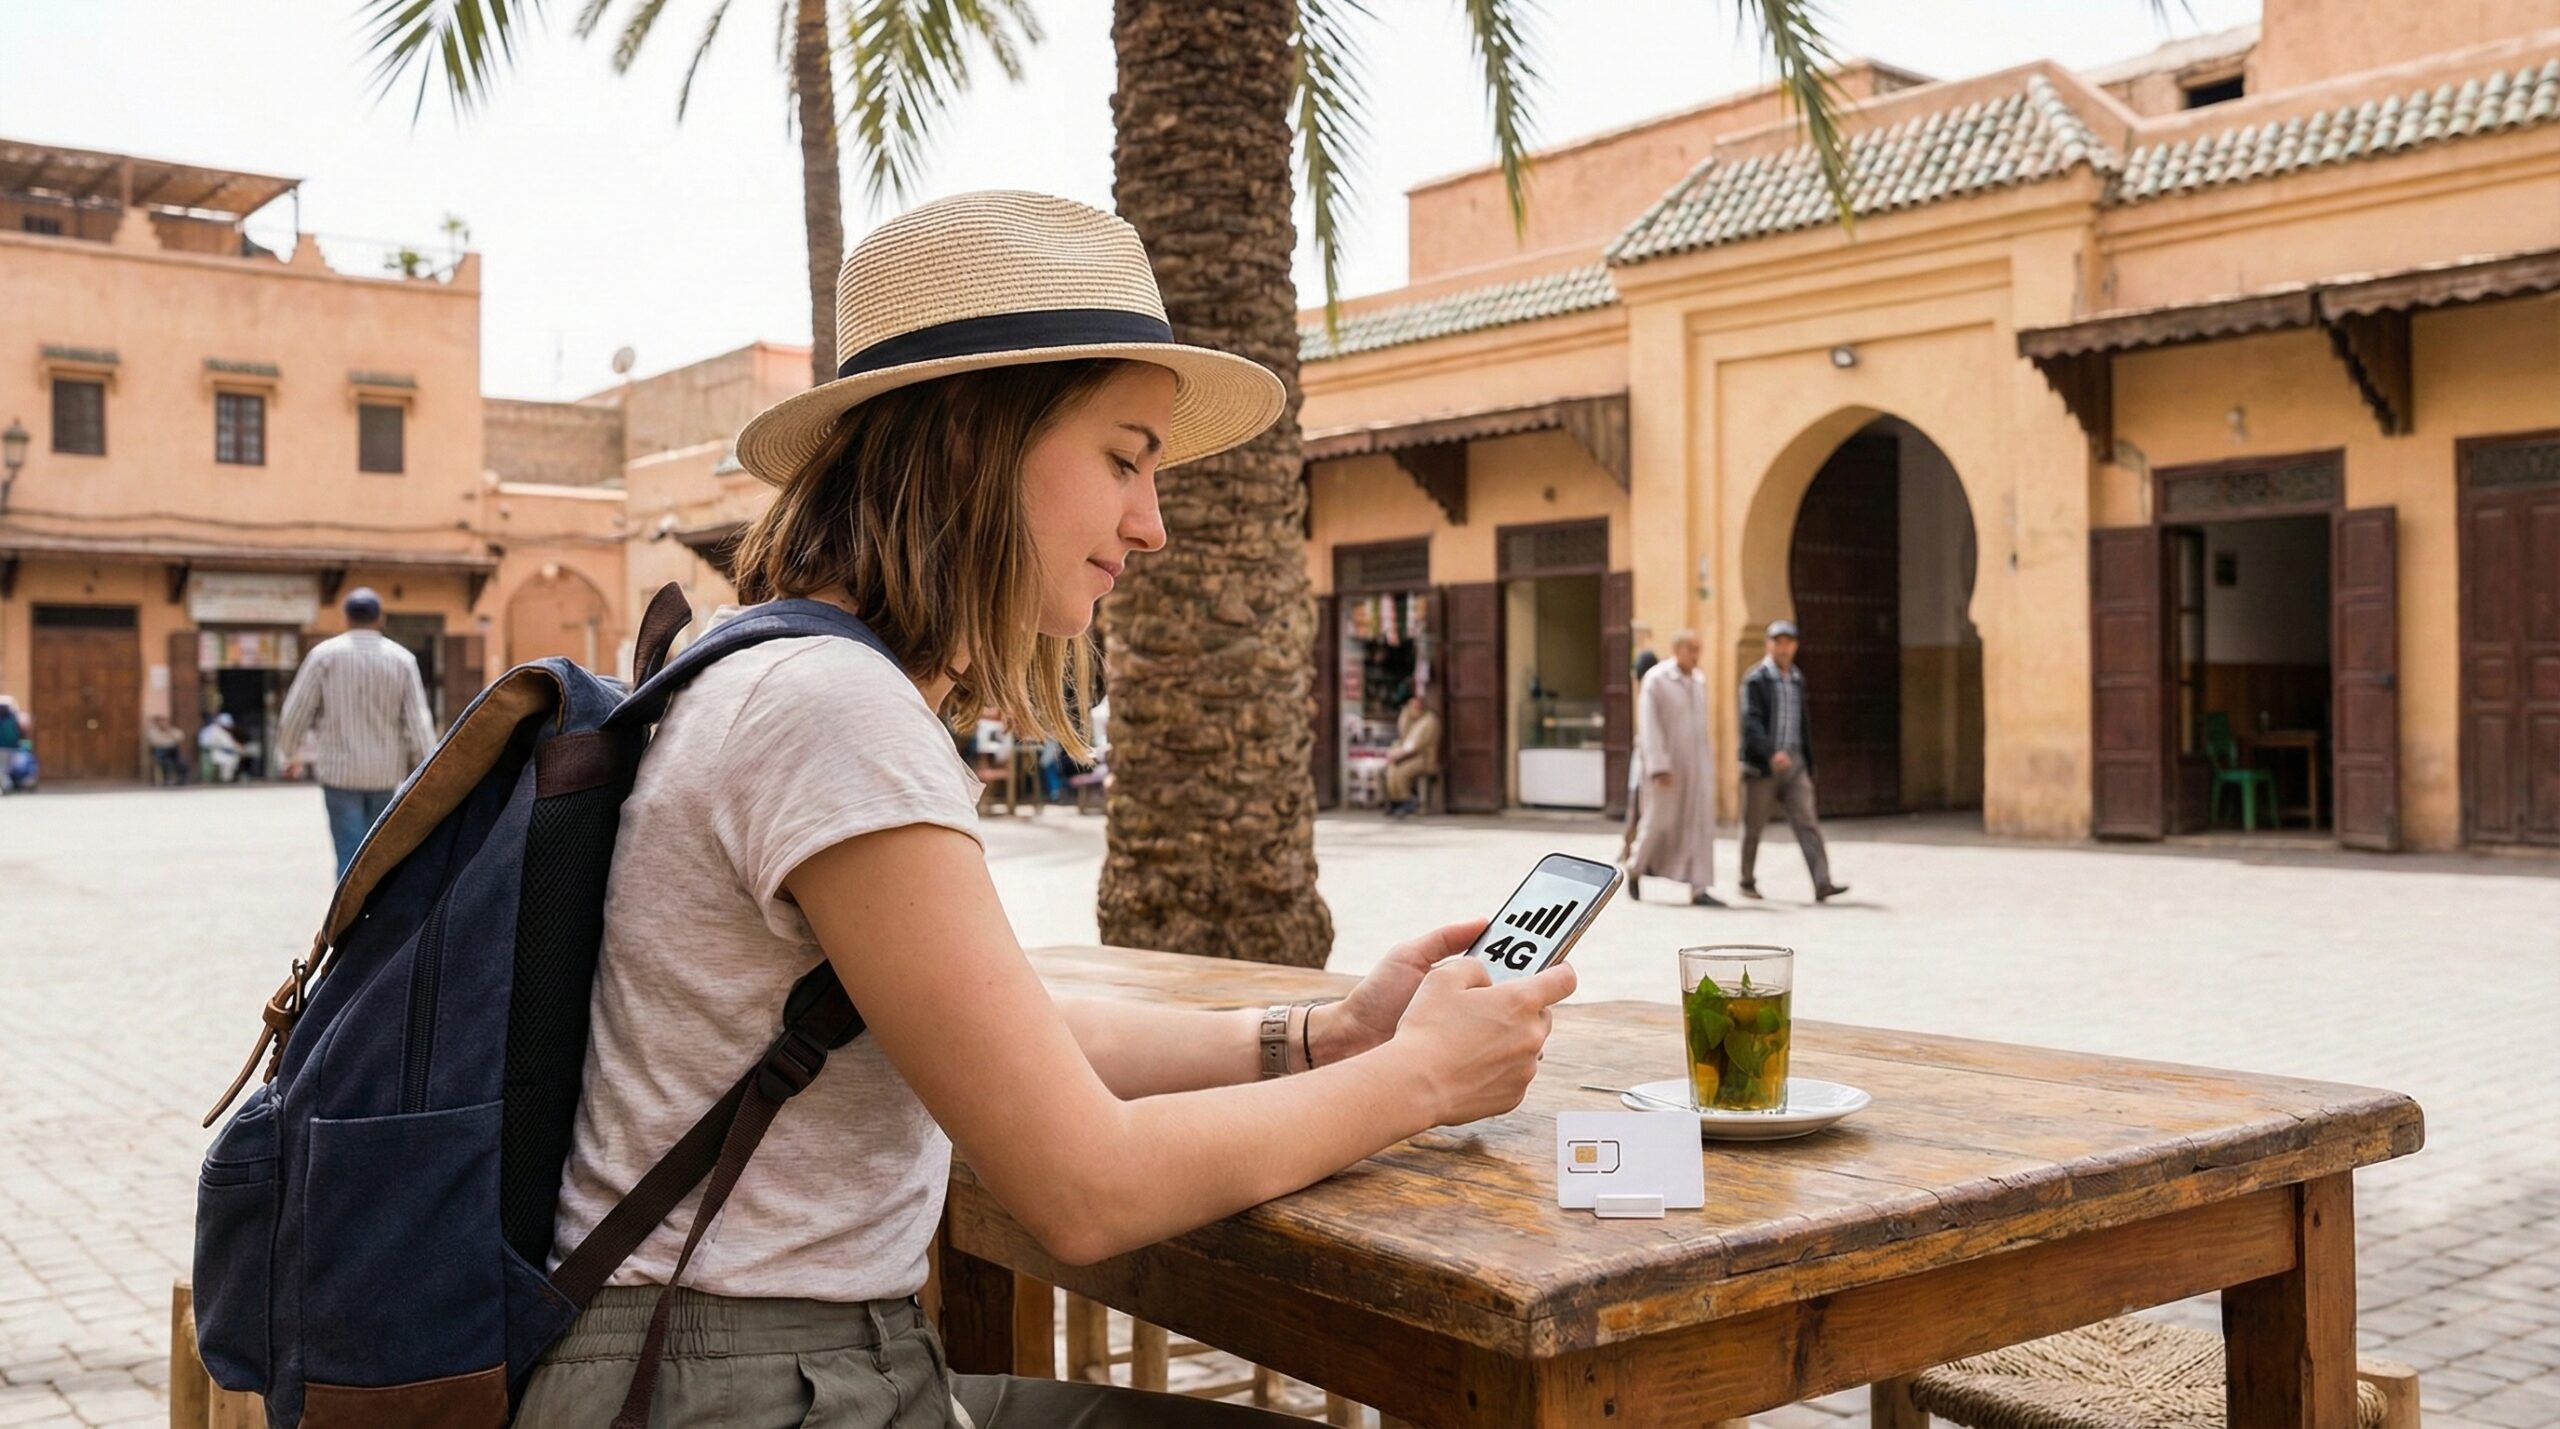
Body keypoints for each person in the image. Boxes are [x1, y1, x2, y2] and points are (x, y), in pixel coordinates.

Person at [516, 192, 1573, 1429]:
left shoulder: (767, 668)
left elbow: (1003, 1028)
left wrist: (1323, 1037)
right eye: (1124, 458)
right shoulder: (833, 709)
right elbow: (1087, 1187)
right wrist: (1422, 1079)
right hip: (738, 1390)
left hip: (739, 1371)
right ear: (975, 439)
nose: (1152, 524)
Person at [275, 587, 437, 875]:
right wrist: (429, 768)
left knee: (349, 854)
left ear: (347, 618)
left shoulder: (324, 656)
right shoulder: (401, 660)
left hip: (339, 774)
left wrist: (289, 754)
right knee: (378, 855)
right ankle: (376, 904)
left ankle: (347, 905)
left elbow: (296, 711)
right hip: (384, 774)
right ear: (380, 619)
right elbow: (418, 722)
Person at [1739, 619, 1848, 903]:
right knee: (1753, 825)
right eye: (1778, 642)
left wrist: (1806, 763)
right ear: (1769, 645)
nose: (1783, 648)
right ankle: (1746, 880)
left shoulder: (1797, 679)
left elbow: (1802, 724)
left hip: (1795, 762)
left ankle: (1822, 881)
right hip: (1764, 765)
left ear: (1795, 646)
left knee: (1807, 822)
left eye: (1788, 643)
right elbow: (1751, 722)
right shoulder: (1756, 680)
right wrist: (1769, 752)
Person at [1625, 630, 1723, 905]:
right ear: (1677, 650)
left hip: (1697, 767)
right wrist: (1659, 765)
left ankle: (1699, 887)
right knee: (1658, 822)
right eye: (1691, 649)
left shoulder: (1699, 680)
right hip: (1666, 769)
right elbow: (1649, 726)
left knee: (1699, 826)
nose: (1695, 656)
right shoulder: (1656, 679)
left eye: (1697, 650)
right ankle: (1635, 867)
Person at [1616, 628, 1661, 863]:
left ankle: (1635, 852)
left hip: (1650, 762)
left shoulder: (1652, 691)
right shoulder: (1648, 691)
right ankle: (1629, 849)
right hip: (1644, 760)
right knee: (1637, 807)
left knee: (1641, 808)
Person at [1382, 689, 1440, 816]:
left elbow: (1416, 746)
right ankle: (1396, 801)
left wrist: (1399, 756)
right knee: (1391, 771)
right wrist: (1405, 716)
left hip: (1424, 758)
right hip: (1410, 756)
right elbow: (1404, 736)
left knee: (1401, 772)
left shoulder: (1428, 722)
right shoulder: (1415, 721)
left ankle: (1406, 800)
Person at [198, 712, 243, 784]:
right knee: (231, 758)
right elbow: (230, 745)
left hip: (212, 752)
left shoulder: (214, 729)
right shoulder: (216, 730)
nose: (228, 727)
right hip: (213, 753)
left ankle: (225, 778)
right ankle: (225, 779)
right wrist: (239, 748)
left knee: (233, 756)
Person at [146, 713, 188, 786]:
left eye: (165, 721)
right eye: (161, 722)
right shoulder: (153, 732)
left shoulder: (172, 730)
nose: (163, 724)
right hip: (160, 753)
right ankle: (167, 780)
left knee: (182, 763)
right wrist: (168, 741)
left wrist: (168, 732)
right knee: (166, 762)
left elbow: (180, 738)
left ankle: (182, 780)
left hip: (173, 753)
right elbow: (155, 742)